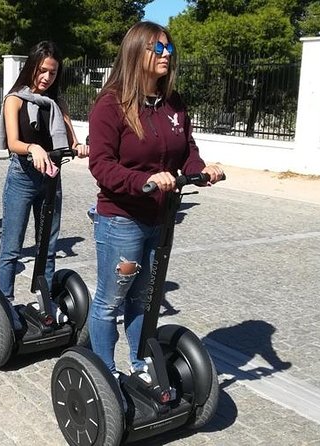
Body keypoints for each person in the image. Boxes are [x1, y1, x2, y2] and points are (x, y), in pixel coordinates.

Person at [87, 21, 224, 378]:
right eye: (157, 49)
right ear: (137, 53)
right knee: (110, 302)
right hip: (122, 219)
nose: (166, 55)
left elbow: (185, 150)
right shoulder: (111, 104)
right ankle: (104, 374)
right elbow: (101, 166)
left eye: (169, 49)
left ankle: (139, 365)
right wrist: (144, 180)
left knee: (143, 300)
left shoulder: (172, 102)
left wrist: (202, 169)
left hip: (160, 218)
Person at [0, 41, 88, 325]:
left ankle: (44, 302)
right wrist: (32, 147)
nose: (47, 77)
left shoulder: (58, 104)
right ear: (32, 68)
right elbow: (13, 142)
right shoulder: (14, 99)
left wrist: (80, 146)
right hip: (22, 176)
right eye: (43, 71)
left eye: (53, 72)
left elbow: (72, 140)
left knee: (47, 246)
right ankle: (5, 304)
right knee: (11, 247)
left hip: (51, 178)